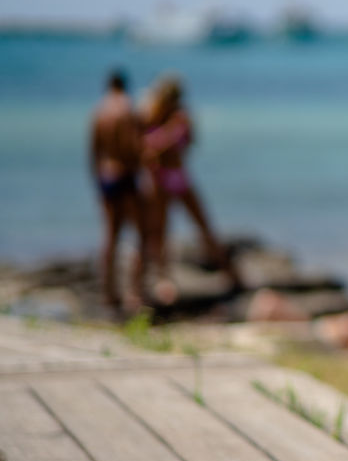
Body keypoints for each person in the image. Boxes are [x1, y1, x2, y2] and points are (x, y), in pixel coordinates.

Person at [140, 75, 242, 293]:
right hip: (165, 177)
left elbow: (168, 146)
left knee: (198, 225)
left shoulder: (175, 118)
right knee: (161, 230)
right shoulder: (157, 117)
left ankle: (227, 272)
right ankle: (163, 279)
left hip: (171, 176)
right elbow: (152, 148)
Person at [89, 69, 153, 311]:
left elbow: (93, 152)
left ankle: (108, 292)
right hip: (126, 175)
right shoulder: (127, 107)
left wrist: (97, 182)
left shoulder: (99, 111)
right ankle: (135, 292)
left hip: (105, 176)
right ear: (125, 85)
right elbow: (131, 145)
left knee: (110, 235)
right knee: (141, 233)